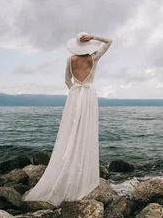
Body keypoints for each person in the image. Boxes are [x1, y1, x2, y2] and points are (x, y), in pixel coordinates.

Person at [23, 32, 113, 206]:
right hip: (88, 96)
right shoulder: (93, 58)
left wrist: (75, 93)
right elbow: (109, 41)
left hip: (75, 95)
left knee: (71, 131)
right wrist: (94, 37)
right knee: (85, 132)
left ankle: (67, 167)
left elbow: (67, 81)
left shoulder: (70, 60)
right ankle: (81, 174)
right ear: (88, 45)